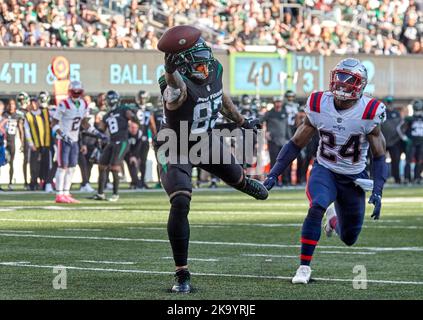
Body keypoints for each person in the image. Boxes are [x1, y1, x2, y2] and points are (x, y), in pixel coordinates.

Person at [155, 26, 268, 293]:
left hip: (204, 139)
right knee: (181, 200)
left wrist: (241, 121)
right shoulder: (172, 83)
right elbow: (177, 93)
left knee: (236, 176)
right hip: (175, 144)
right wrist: (170, 72)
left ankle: (243, 182)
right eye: (196, 52)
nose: (204, 55)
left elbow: (220, 96)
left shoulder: (213, 68)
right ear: (180, 61)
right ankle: (182, 273)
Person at [264, 58, 387, 284]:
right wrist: (274, 172)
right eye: (339, 77)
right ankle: (304, 267)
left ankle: (333, 221)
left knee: (350, 237)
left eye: (348, 79)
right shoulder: (319, 103)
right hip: (325, 170)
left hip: (354, 177)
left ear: (360, 84)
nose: (341, 83)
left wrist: (378, 190)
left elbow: (379, 155)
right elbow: (295, 142)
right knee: (317, 205)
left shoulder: (370, 111)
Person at [51, 81, 106, 203]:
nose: (76, 94)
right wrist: (62, 135)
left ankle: (66, 192)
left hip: (75, 140)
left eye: (78, 92)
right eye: (74, 92)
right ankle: (59, 194)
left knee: (72, 167)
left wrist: (96, 133)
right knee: (62, 166)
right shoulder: (63, 104)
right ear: (70, 92)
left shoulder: (83, 104)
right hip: (64, 140)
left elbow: (85, 123)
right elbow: (53, 123)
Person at [92, 90, 139, 202]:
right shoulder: (107, 115)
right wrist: (92, 129)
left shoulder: (123, 109)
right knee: (102, 166)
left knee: (114, 167)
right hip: (111, 142)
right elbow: (101, 130)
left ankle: (115, 194)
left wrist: (133, 119)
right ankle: (100, 193)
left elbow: (133, 118)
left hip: (122, 141)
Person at [260, 95, 291, 186]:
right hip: (273, 141)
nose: (278, 104)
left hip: (283, 140)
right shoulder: (269, 113)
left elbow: (287, 127)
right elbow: (260, 121)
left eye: (279, 102)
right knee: (274, 161)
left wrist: (290, 138)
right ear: (274, 103)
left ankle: (286, 180)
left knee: (285, 161)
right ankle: (274, 180)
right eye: (276, 102)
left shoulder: (284, 113)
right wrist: (265, 133)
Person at [24, 97, 52, 191]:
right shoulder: (28, 115)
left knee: (46, 164)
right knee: (34, 165)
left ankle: (45, 182)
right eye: (32, 103)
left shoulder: (46, 112)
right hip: (35, 145)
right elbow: (27, 130)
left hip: (46, 143)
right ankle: (33, 183)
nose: (33, 105)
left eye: (35, 103)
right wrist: (31, 144)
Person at [0, 99, 24, 190]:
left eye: (13, 104)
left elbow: (21, 129)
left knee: (11, 163)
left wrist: (22, 143)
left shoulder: (17, 115)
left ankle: (10, 183)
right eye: (9, 104)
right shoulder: (4, 114)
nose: (11, 106)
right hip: (3, 141)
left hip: (12, 142)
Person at [134, 90, 157, 189]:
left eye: (143, 98)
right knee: (135, 160)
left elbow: (152, 125)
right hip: (136, 138)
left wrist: (153, 137)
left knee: (142, 160)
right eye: (141, 98)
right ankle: (135, 181)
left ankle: (141, 181)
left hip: (143, 138)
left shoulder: (148, 110)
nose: (142, 100)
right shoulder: (134, 109)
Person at [397, 99, 423, 184]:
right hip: (411, 142)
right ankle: (407, 178)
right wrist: (404, 138)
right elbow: (399, 128)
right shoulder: (409, 118)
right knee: (409, 160)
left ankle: (417, 177)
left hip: (421, 142)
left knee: (420, 160)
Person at [380, 96, 403, 184]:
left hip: (394, 141)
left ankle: (397, 178)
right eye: (388, 102)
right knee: (380, 160)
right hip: (383, 141)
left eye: (390, 102)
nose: (389, 104)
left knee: (396, 160)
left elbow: (400, 126)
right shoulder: (382, 112)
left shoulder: (396, 113)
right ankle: (380, 178)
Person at [16, 92, 31, 190]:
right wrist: (22, 142)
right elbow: (21, 128)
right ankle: (26, 181)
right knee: (26, 160)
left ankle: (34, 181)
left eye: (23, 99)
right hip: (26, 138)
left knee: (35, 161)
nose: (21, 102)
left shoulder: (29, 111)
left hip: (34, 137)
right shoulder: (19, 112)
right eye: (20, 100)